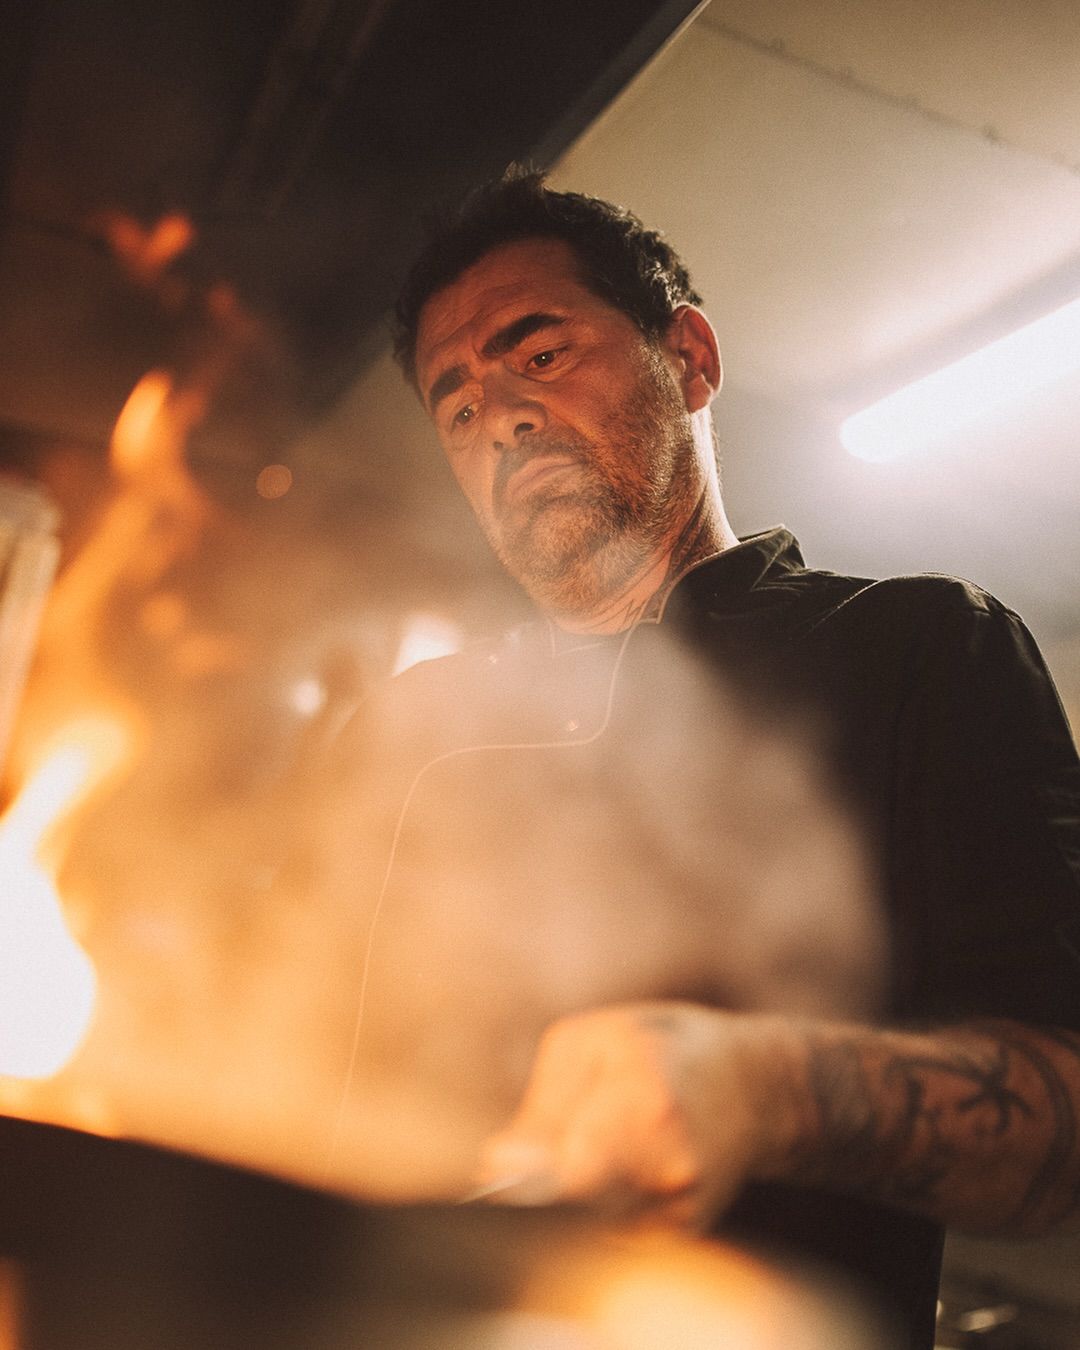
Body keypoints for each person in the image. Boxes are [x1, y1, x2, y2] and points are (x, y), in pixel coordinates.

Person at [371, 168, 1080, 1347]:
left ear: (688, 358)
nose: (499, 415)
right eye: (457, 406)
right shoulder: (412, 731)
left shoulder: (918, 649)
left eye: (537, 355)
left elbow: (1065, 1123)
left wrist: (765, 1090)